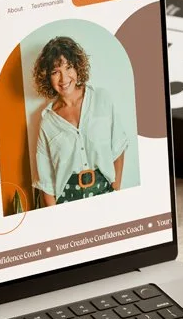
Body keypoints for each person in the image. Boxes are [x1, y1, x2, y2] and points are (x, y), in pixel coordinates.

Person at [32, 35, 128, 206]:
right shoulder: (47, 121)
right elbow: (46, 182)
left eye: (68, 68)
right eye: (55, 72)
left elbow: (119, 146)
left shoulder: (101, 99)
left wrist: (116, 188)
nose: (64, 78)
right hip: (67, 200)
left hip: (105, 190)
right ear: (47, 77)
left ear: (77, 68)